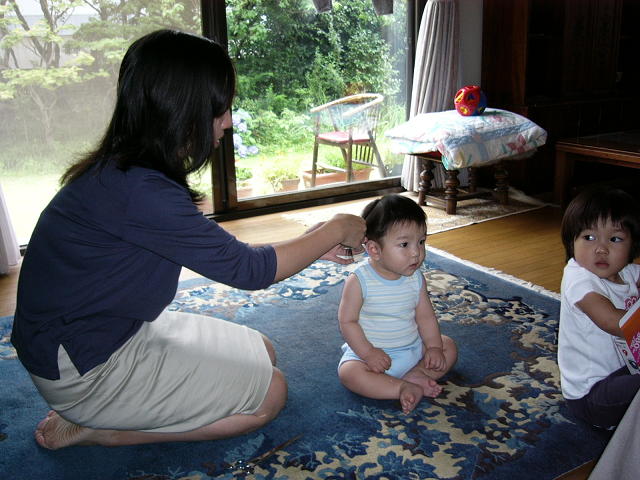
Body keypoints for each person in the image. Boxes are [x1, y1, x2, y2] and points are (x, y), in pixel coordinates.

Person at [10, 29, 366, 450]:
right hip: (87, 367)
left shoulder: (126, 170)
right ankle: (104, 430)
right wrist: (337, 227)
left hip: (112, 331)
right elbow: (248, 270)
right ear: (180, 110)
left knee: (263, 351)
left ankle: (109, 411)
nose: (228, 121)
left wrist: (314, 244)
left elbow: (221, 250)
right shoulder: (140, 191)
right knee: (270, 395)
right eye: (219, 109)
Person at [337, 194, 457, 414]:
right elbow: (347, 321)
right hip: (371, 357)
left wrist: (433, 347)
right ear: (374, 249)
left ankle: (416, 375)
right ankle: (402, 387)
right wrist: (368, 353)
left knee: (447, 345)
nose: (416, 252)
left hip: (412, 349)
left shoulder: (416, 278)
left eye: (421, 242)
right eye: (404, 244)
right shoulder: (359, 281)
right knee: (349, 373)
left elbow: (425, 317)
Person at [558, 186, 640, 430]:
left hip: (626, 370)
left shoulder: (628, 272)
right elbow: (614, 323)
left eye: (615, 239)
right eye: (589, 237)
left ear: (632, 246)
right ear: (572, 241)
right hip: (592, 395)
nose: (601, 249)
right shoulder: (579, 279)